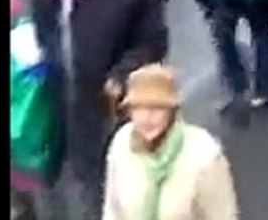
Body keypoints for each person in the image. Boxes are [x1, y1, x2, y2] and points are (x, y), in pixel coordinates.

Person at [32, 0, 168, 220]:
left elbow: (152, 43)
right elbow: (44, 29)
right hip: (73, 101)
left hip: (117, 104)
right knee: (89, 179)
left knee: (132, 177)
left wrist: (121, 74)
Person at [102, 64, 239, 220]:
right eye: (138, 109)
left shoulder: (204, 156)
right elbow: (112, 211)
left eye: (156, 109)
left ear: (172, 111)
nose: (146, 118)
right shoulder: (121, 144)